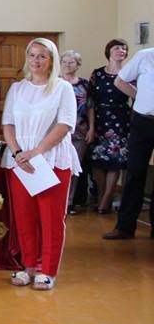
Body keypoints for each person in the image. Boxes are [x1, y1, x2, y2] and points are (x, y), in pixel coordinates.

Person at [2, 38, 79, 291]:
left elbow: (65, 124)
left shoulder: (62, 88)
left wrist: (36, 151)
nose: (36, 60)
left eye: (42, 56)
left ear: (52, 60)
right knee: (24, 218)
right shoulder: (17, 89)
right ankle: (28, 266)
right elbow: (8, 123)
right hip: (20, 161)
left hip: (51, 159)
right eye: (32, 55)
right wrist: (17, 152)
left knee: (51, 218)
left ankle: (47, 270)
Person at [103, 46, 154, 240]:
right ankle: (124, 227)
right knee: (135, 172)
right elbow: (120, 81)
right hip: (143, 121)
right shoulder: (145, 56)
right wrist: (140, 97)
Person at [88, 39, 131, 214]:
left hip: (120, 120)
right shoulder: (97, 73)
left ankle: (106, 201)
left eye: (124, 48)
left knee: (115, 161)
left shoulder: (129, 73)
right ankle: (101, 195)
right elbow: (90, 101)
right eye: (117, 48)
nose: (121, 51)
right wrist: (91, 126)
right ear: (109, 51)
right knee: (97, 161)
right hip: (99, 119)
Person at [59, 50, 94, 214]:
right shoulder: (55, 82)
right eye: (64, 62)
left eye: (71, 62)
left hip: (79, 131)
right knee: (58, 166)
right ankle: (57, 201)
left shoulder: (84, 84)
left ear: (78, 65)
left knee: (73, 167)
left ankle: (69, 202)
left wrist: (91, 128)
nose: (67, 65)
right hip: (58, 132)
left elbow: (90, 107)